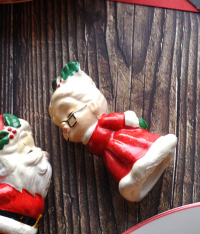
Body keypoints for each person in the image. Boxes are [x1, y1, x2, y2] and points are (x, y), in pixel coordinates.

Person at [48, 61, 177, 202]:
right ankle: (132, 181)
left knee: (135, 149)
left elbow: (121, 120)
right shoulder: (88, 142)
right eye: (62, 126)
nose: (65, 127)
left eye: (69, 118)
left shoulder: (103, 122)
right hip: (110, 156)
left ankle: (149, 157)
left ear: (92, 106)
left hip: (121, 140)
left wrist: (132, 121)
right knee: (121, 168)